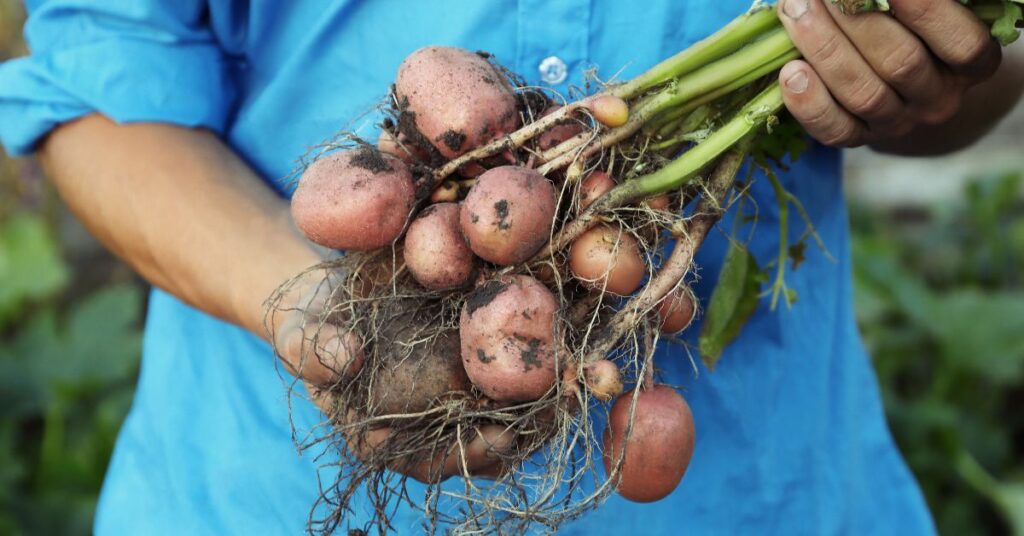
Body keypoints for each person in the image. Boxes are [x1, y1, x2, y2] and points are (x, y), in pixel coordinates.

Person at [1, 0, 1021, 533]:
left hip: (759, 494)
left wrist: (931, 74)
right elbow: (95, 79)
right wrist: (316, 314)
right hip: (251, 487)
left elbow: (971, 73)